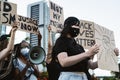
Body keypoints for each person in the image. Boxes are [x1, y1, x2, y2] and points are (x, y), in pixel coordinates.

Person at [47, 16, 119, 80]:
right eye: (75, 26)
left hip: (84, 76)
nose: (77, 28)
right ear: (67, 27)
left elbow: (91, 65)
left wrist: (110, 56)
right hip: (69, 76)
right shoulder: (61, 41)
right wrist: (87, 53)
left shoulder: (79, 47)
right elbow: (63, 62)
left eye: (79, 27)